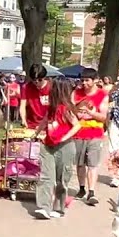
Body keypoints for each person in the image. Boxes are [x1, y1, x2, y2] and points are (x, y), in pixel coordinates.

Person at [33, 78, 81, 220]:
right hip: (48, 145)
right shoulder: (51, 107)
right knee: (46, 176)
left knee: (62, 178)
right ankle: (43, 207)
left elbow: (76, 125)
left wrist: (64, 137)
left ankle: (59, 207)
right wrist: (35, 133)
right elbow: (45, 120)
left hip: (64, 146)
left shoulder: (66, 108)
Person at [71, 68, 109, 205]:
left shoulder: (102, 95)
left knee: (92, 164)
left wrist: (90, 113)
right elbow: (69, 110)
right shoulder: (76, 93)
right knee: (80, 163)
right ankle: (81, 188)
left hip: (95, 133)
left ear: (95, 81)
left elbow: (103, 117)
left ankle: (91, 192)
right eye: (82, 80)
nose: (84, 83)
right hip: (79, 133)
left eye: (87, 80)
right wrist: (76, 114)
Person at [20, 63, 52, 129]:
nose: (37, 82)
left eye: (40, 80)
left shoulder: (52, 87)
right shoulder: (26, 87)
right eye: (34, 80)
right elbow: (22, 106)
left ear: (44, 77)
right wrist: (23, 119)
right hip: (31, 124)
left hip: (48, 124)